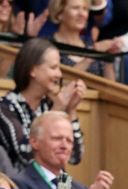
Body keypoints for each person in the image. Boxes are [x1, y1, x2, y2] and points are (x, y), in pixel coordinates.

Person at [1, 39, 88, 177]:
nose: (59, 74)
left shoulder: (49, 105)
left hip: (59, 187)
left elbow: (75, 157)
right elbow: (26, 154)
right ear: (33, 70)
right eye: (53, 68)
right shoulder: (5, 108)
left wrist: (71, 110)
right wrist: (56, 112)